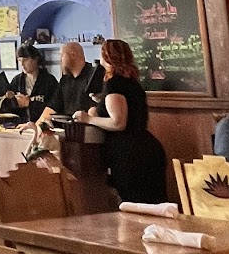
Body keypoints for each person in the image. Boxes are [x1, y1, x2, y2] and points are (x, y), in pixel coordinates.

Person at [71, 38, 167, 204]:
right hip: (146, 149)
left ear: (107, 57)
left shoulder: (114, 83)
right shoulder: (131, 82)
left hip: (130, 156)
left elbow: (118, 123)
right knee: (155, 205)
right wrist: (101, 101)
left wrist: (88, 118)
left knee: (135, 206)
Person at [0, 42, 59, 123]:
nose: (22, 64)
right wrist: (15, 102)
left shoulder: (49, 81)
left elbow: (54, 107)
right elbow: (6, 106)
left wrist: (30, 103)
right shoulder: (17, 80)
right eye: (19, 60)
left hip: (42, 125)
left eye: (26, 60)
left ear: (35, 59)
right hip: (20, 125)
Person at [54, 41, 104, 117]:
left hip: (88, 122)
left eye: (62, 55)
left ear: (73, 55)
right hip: (67, 123)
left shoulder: (95, 76)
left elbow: (97, 110)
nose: (60, 60)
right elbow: (52, 107)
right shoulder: (65, 80)